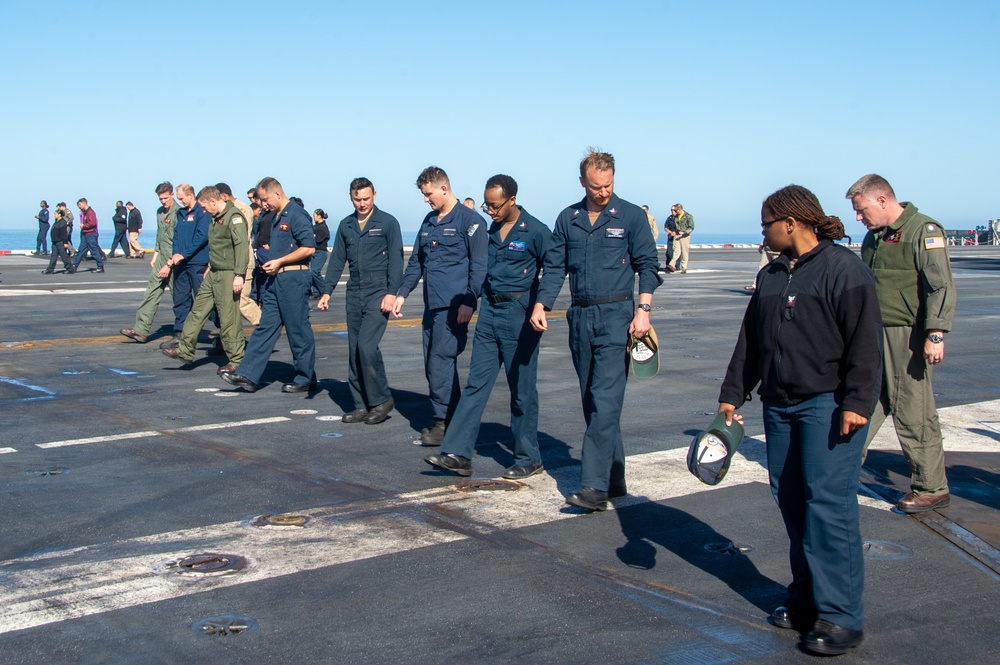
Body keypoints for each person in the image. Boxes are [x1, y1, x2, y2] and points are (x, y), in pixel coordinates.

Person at [719, 185, 882, 656]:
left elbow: (866, 344)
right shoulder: (771, 275)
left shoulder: (843, 270)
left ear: (791, 223)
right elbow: (750, 340)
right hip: (780, 405)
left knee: (828, 506)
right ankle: (807, 598)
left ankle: (841, 616)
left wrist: (857, 402)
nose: (763, 232)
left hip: (828, 406)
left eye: (767, 223)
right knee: (791, 501)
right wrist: (733, 394)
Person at [530, 148, 661, 510]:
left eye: (608, 185)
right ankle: (613, 476)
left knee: (605, 401)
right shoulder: (568, 218)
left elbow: (648, 266)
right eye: (595, 186)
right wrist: (542, 304)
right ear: (582, 182)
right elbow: (555, 267)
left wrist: (643, 310)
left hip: (618, 315)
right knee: (593, 402)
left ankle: (593, 488)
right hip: (580, 318)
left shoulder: (631, 216)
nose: (602, 192)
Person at [425, 174, 550, 478]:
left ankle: (527, 456)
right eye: (487, 206)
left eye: (494, 206)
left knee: (521, 390)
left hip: (519, 315)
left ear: (512, 200)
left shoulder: (535, 231)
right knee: (475, 385)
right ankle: (457, 453)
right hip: (491, 312)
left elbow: (556, 267)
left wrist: (540, 304)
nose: (490, 212)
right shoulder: (491, 229)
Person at [847, 174, 956, 513]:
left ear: (882, 200)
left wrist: (935, 333)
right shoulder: (873, 238)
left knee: (913, 411)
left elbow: (939, 286)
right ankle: (843, 473)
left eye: (862, 210)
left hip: (907, 335)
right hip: (873, 334)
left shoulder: (923, 231)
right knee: (861, 403)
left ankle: (931, 486)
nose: (859, 217)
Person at [392, 166, 487, 445]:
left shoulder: (470, 221)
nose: (426, 199)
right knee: (434, 363)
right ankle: (453, 417)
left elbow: (480, 266)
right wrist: (402, 293)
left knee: (440, 362)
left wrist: (470, 301)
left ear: (444, 188)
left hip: (454, 306)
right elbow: (417, 263)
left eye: (428, 194)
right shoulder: (430, 221)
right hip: (431, 306)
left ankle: (443, 423)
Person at [317, 177, 403, 424]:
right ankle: (360, 405)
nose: (362, 203)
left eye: (366, 198)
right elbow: (336, 262)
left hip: (379, 291)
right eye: (357, 199)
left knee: (367, 346)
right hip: (354, 291)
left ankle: (381, 400)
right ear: (351, 197)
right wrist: (327, 291)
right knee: (354, 349)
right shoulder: (346, 225)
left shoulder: (388, 223)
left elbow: (397, 261)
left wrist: (391, 292)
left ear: (375, 195)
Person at [220, 177, 317, 394]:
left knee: (297, 330)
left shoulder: (296, 215)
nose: (263, 204)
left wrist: (281, 261)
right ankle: (247, 375)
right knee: (265, 328)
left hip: (293, 279)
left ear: (277, 194)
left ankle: (305, 377)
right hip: (275, 280)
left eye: (264, 200)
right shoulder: (274, 217)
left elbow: (309, 248)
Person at [162, 186, 249, 373]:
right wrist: (210, 266)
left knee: (228, 318)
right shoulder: (215, 219)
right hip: (214, 271)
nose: (203, 210)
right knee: (198, 311)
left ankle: (236, 360)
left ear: (212, 201)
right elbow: (215, 246)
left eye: (204, 206)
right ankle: (184, 350)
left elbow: (241, 247)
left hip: (228, 273)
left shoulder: (234, 217)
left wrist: (239, 275)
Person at [121, 183, 180, 344]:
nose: (163, 202)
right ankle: (141, 329)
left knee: (179, 297)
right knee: (151, 292)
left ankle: (185, 332)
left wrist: (169, 264)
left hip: (175, 259)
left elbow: (179, 240)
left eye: (165, 198)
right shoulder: (160, 213)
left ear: (172, 194)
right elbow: (160, 236)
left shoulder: (179, 213)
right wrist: (155, 255)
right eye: (160, 199)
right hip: (161, 256)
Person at [158, 184, 210, 348]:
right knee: (180, 299)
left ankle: (224, 335)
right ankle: (180, 334)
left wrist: (185, 253)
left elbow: (201, 237)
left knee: (205, 300)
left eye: (181, 198)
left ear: (190, 195)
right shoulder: (180, 213)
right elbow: (177, 236)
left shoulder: (202, 212)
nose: (179, 201)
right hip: (180, 263)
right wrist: (175, 255)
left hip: (197, 263)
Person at [216, 182, 261, 327]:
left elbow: (242, 238)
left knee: (241, 300)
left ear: (224, 196)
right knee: (230, 302)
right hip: (230, 262)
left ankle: (265, 324)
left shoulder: (242, 209)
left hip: (243, 261)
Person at [69, 198, 105, 273]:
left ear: (84, 203)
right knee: (81, 251)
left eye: (79, 204)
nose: (79, 206)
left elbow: (93, 223)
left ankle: (100, 266)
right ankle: (74, 266)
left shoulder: (90, 212)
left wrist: (84, 226)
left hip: (91, 234)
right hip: (85, 234)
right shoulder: (85, 212)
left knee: (94, 251)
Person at [42, 205, 72, 273]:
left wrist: (65, 242)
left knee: (64, 256)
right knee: (53, 256)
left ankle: (70, 269)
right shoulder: (57, 222)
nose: (54, 215)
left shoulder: (62, 223)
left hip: (60, 242)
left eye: (55, 214)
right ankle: (50, 269)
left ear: (59, 214)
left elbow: (64, 234)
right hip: (55, 242)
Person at [666, 203, 694, 273]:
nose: (674, 211)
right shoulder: (675, 217)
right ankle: (671, 265)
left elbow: (691, 227)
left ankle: (684, 268)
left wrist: (685, 232)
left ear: (679, 209)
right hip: (677, 235)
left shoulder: (688, 216)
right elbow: (674, 226)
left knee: (684, 252)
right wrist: (673, 232)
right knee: (676, 251)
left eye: (675, 210)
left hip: (684, 236)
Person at [309, 209, 330, 299]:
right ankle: (316, 292)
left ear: (319, 216)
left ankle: (324, 290)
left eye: (314, 216)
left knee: (315, 272)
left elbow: (318, 239)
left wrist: (313, 237)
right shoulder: (315, 227)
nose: (314, 218)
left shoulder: (323, 228)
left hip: (321, 252)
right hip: (314, 251)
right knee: (312, 272)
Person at [662, 205, 676, 270]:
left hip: (677, 237)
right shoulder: (669, 218)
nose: (672, 211)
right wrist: (670, 232)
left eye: (674, 210)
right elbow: (665, 227)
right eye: (671, 210)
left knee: (676, 252)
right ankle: (668, 265)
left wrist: (675, 233)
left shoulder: (679, 218)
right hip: (670, 236)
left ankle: (676, 266)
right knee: (669, 252)